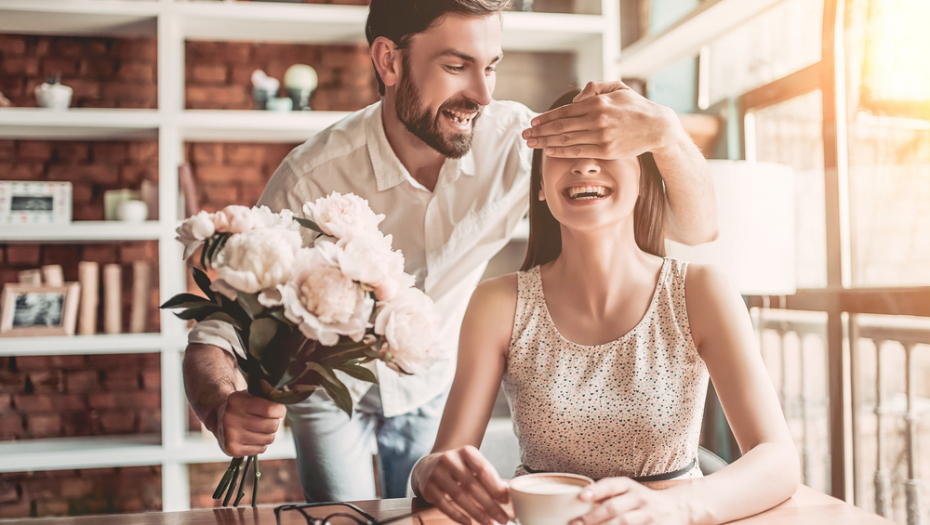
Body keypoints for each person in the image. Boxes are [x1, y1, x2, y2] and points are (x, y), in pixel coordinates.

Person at [182, 0, 718, 502]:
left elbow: (698, 228)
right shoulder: (310, 176)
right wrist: (221, 404)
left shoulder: (517, 142)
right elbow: (217, 332)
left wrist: (665, 135)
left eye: (491, 67)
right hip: (328, 391)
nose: (483, 96)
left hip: (436, 383)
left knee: (427, 515)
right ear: (389, 61)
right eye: (458, 66)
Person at [410, 90, 799, 524]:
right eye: (564, 149)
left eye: (604, 148)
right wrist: (427, 472)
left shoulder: (701, 291)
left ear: (644, 177)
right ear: (539, 185)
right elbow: (442, 460)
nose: (583, 163)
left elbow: (779, 460)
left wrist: (673, 507)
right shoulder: (498, 302)